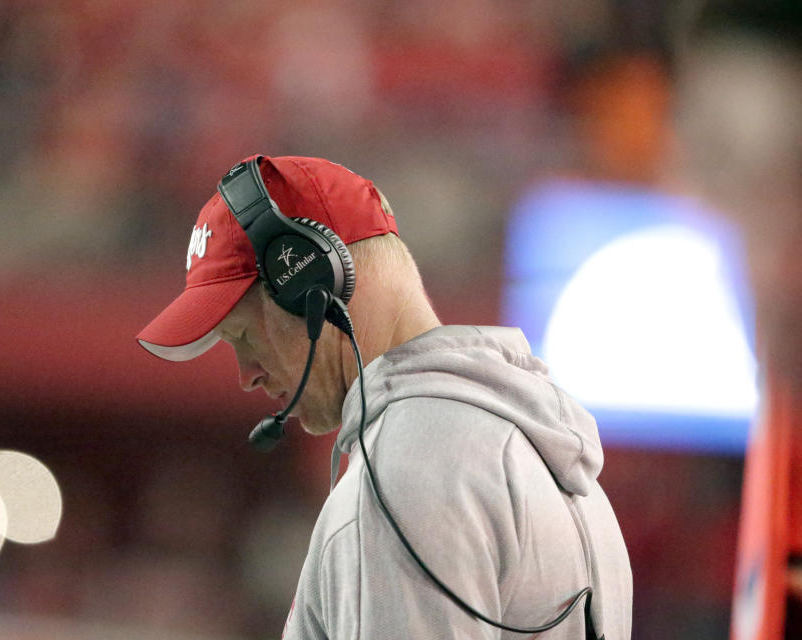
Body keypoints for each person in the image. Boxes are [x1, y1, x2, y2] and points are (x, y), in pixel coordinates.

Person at [137, 154, 632, 639]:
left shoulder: (405, 473)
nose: (246, 375)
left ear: (315, 285)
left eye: (245, 335)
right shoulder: (552, 463)